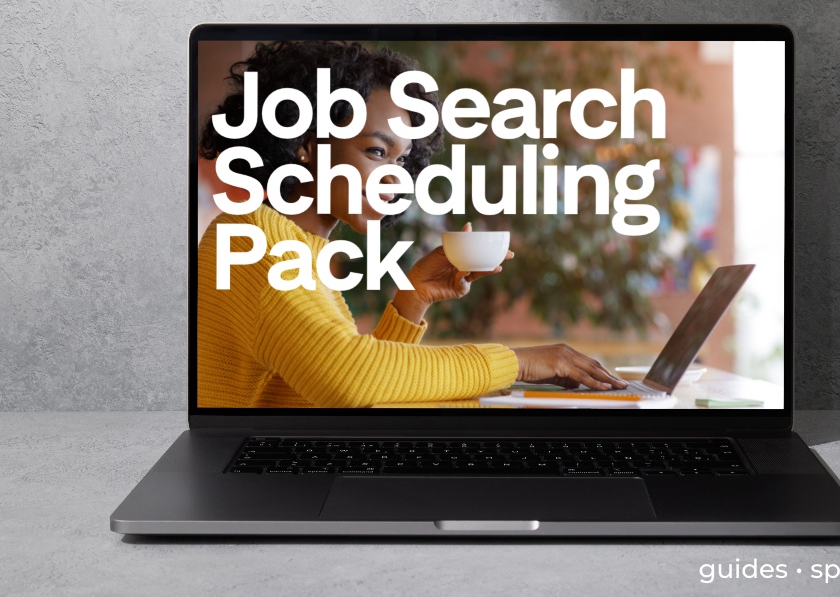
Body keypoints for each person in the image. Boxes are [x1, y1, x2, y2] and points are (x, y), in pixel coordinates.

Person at [197, 40, 626, 408]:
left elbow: (354, 389)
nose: (395, 177)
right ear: (306, 144)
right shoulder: (250, 235)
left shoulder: (296, 247)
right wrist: (521, 362)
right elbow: (345, 378)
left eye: (402, 159)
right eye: (376, 152)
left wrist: (412, 299)